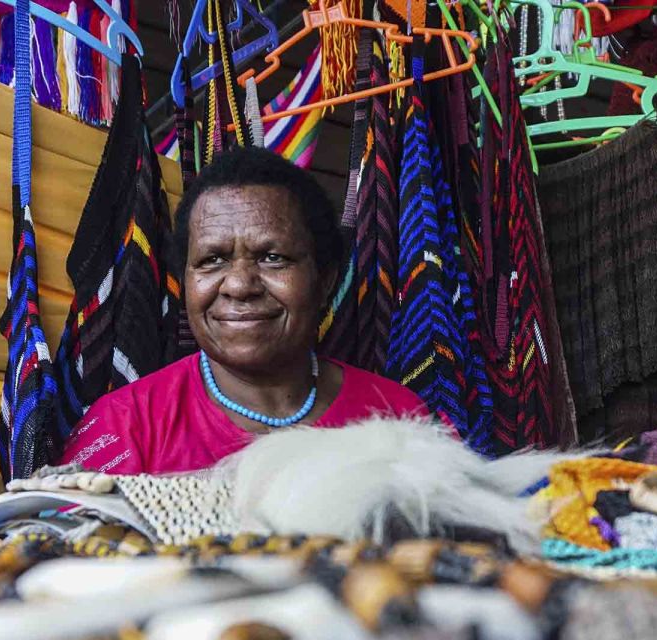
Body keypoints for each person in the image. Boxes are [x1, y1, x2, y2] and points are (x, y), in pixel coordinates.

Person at [62, 146, 428, 474]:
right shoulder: (123, 428)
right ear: (184, 281)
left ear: (325, 281)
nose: (239, 285)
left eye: (273, 258)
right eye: (212, 260)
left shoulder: (399, 419)